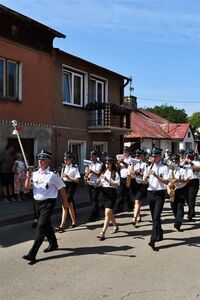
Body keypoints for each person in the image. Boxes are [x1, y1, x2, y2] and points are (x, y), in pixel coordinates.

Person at [22, 150, 69, 263]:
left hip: (48, 203)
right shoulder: (35, 172)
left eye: (42, 159)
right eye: (39, 159)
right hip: (37, 203)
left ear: (48, 161)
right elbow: (27, 188)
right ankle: (53, 244)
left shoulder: (53, 174)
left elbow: (62, 189)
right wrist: (28, 177)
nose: (40, 161)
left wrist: (65, 202)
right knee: (46, 225)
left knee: (41, 228)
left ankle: (32, 254)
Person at [143, 148, 169, 251]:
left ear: (160, 156)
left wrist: (156, 175)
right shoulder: (148, 167)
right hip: (150, 193)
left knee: (156, 217)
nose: (154, 158)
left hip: (160, 194)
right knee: (155, 217)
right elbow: (145, 181)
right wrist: (145, 178)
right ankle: (160, 232)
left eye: (156, 156)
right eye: (152, 156)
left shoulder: (164, 168)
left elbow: (166, 182)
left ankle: (152, 239)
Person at [55, 152, 80, 232]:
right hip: (64, 185)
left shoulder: (75, 167)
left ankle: (61, 226)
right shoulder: (63, 167)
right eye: (64, 159)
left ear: (71, 159)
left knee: (65, 204)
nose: (65, 161)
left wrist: (68, 177)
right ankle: (74, 222)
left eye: (67, 159)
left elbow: (77, 180)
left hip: (72, 186)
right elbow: (60, 178)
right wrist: (60, 178)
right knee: (70, 205)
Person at [96, 157, 120, 240]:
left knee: (107, 212)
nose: (107, 165)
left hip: (111, 194)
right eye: (106, 163)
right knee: (109, 213)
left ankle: (102, 232)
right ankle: (116, 226)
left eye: (109, 163)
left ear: (112, 164)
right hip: (104, 193)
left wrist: (108, 180)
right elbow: (98, 183)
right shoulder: (103, 172)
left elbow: (116, 185)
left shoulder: (115, 173)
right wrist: (97, 181)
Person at [167, 155, 192, 231]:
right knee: (173, 207)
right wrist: (168, 189)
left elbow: (187, 180)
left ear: (178, 161)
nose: (174, 162)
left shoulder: (183, 170)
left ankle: (178, 223)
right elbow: (166, 181)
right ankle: (177, 218)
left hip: (180, 190)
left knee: (180, 206)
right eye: (173, 161)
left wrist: (178, 180)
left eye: (176, 161)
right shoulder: (169, 170)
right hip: (171, 190)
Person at [130, 150, 147, 227]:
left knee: (137, 201)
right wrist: (132, 166)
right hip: (134, 183)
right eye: (136, 156)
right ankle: (139, 215)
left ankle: (134, 218)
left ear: (142, 156)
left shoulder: (144, 164)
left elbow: (146, 174)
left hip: (141, 184)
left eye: (139, 156)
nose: (137, 157)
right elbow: (131, 173)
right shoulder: (133, 163)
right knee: (136, 202)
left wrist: (138, 173)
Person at [85, 150, 102, 222]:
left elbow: (99, 173)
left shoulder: (100, 164)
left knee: (94, 200)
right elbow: (86, 172)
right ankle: (97, 213)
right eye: (90, 156)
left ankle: (93, 215)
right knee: (92, 200)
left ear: (96, 156)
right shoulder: (89, 164)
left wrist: (92, 171)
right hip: (90, 183)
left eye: (92, 156)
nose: (91, 158)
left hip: (97, 184)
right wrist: (86, 176)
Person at [183, 149, 200, 221]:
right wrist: (184, 162)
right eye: (188, 155)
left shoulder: (197, 162)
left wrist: (191, 163)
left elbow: (198, 169)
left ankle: (190, 214)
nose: (189, 156)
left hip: (194, 181)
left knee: (191, 198)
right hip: (185, 181)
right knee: (187, 198)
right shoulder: (184, 162)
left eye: (190, 154)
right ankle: (192, 211)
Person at [115, 147, 133, 213]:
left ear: (128, 152)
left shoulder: (131, 159)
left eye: (125, 152)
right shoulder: (122, 158)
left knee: (128, 194)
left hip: (128, 178)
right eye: (124, 152)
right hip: (121, 178)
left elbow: (129, 166)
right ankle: (119, 208)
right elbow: (116, 168)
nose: (124, 153)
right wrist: (118, 163)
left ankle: (130, 207)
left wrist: (123, 162)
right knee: (120, 194)